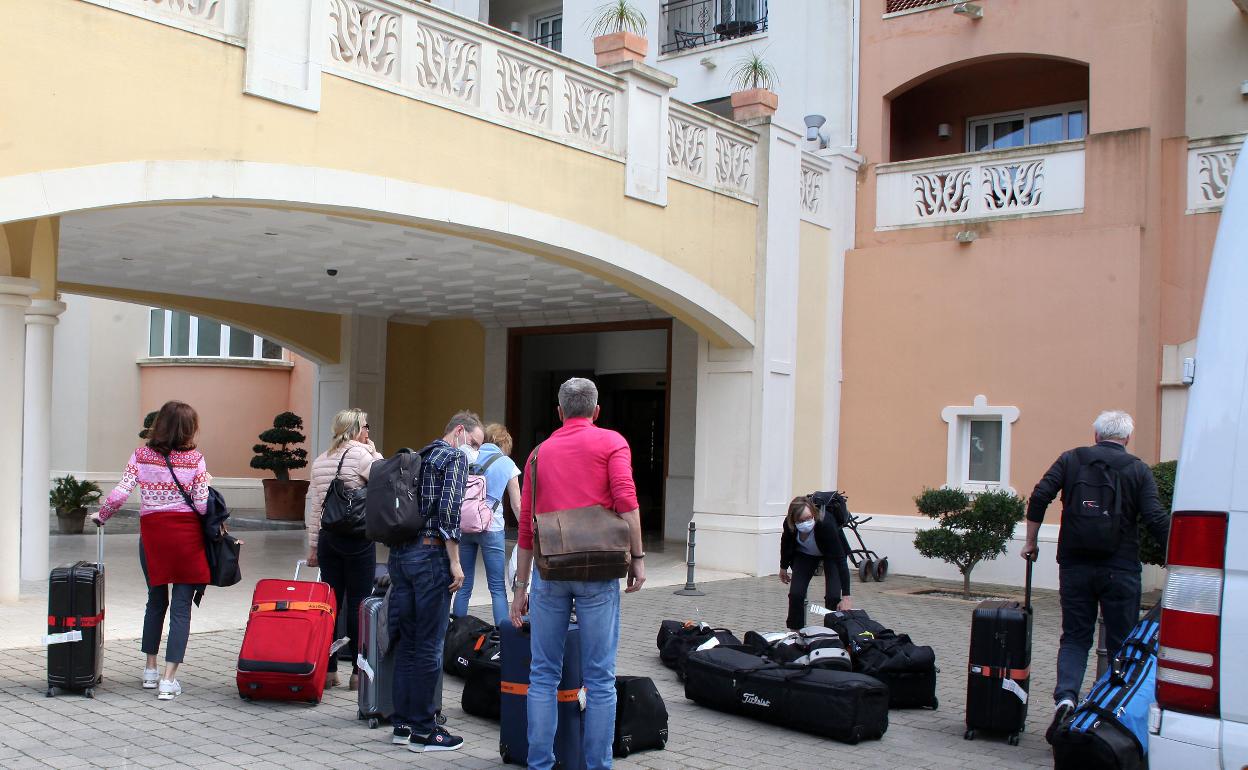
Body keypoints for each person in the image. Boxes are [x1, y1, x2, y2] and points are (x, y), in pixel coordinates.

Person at [511, 377, 646, 770]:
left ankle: (540, 763)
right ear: (596, 410)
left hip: (549, 573)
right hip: (599, 570)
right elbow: (627, 501)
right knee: (600, 678)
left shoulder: (537, 454)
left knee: (543, 676)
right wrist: (637, 557)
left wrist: (520, 588)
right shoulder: (612, 443)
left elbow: (525, 529)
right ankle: (597, 765)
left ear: (559, 412)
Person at [1021, 409, 1170, 741]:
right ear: (1127, 438)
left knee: (1075, 638)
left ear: (1096, 436)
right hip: (1121, 569)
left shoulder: (1071, 460)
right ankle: (1109, 718)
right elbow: (1155, 518)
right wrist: (1177, 556)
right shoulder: (1137, 470)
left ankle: (1066, 699)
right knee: (1123, 645)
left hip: (1075, 565)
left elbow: (1040, 495)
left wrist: (1031, 543)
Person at [91, 401, 212, 702]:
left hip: (154, 536)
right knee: (181, 606)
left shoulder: (141, 455)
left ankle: (149, 669)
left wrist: (102, 515)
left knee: (156, 600)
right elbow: (201, 505)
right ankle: (169, 681)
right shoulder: (195, 459)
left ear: (160, 424)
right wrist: (206, 485)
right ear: (188, 428)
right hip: (186, 537)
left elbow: (122, 490)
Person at [388, 411, 482, 753]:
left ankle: (402, 724)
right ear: (459, 431)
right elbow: (449, 512)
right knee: (430, 645)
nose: (474, 451)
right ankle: (427, 731)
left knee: (409, 642)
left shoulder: (420, 455)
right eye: (474, 442)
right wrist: (456, 563)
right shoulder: (453, 456)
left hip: (401, 557)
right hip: (430, 558)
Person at [305, 408, 383, 690]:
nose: (368, 432)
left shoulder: (321, 460)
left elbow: (316, 508)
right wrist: (373, 452)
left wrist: (313, 546)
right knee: (360, 604)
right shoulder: (362, 455)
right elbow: (384, 479)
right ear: (355, 430)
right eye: (366, 426)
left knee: (331, 603)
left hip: (329, 539)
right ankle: (358, 674)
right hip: (358, 538)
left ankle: (328, 671)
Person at [452, 422, 521, 625]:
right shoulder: (507, 464)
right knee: (497, 587)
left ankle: (456, 632)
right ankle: (501, 638)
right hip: (493, 527)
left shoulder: (466, 456)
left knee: (464, 585)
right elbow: (517, 504)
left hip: (465, 525)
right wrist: (527, 529)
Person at [778, 496, 853, 630]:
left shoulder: (825, 523)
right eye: (801, 520)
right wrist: (783, 567)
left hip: (831, 555)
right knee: (796, 594)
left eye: (808, 518)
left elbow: (841, 560)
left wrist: (846, 596)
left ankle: (832, 632)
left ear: (813, 513)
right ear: (793, 520)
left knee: (833, 597)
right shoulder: (789, 525)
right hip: (805, 554)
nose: (806, 522)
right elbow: (786, 543)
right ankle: (796, 632)